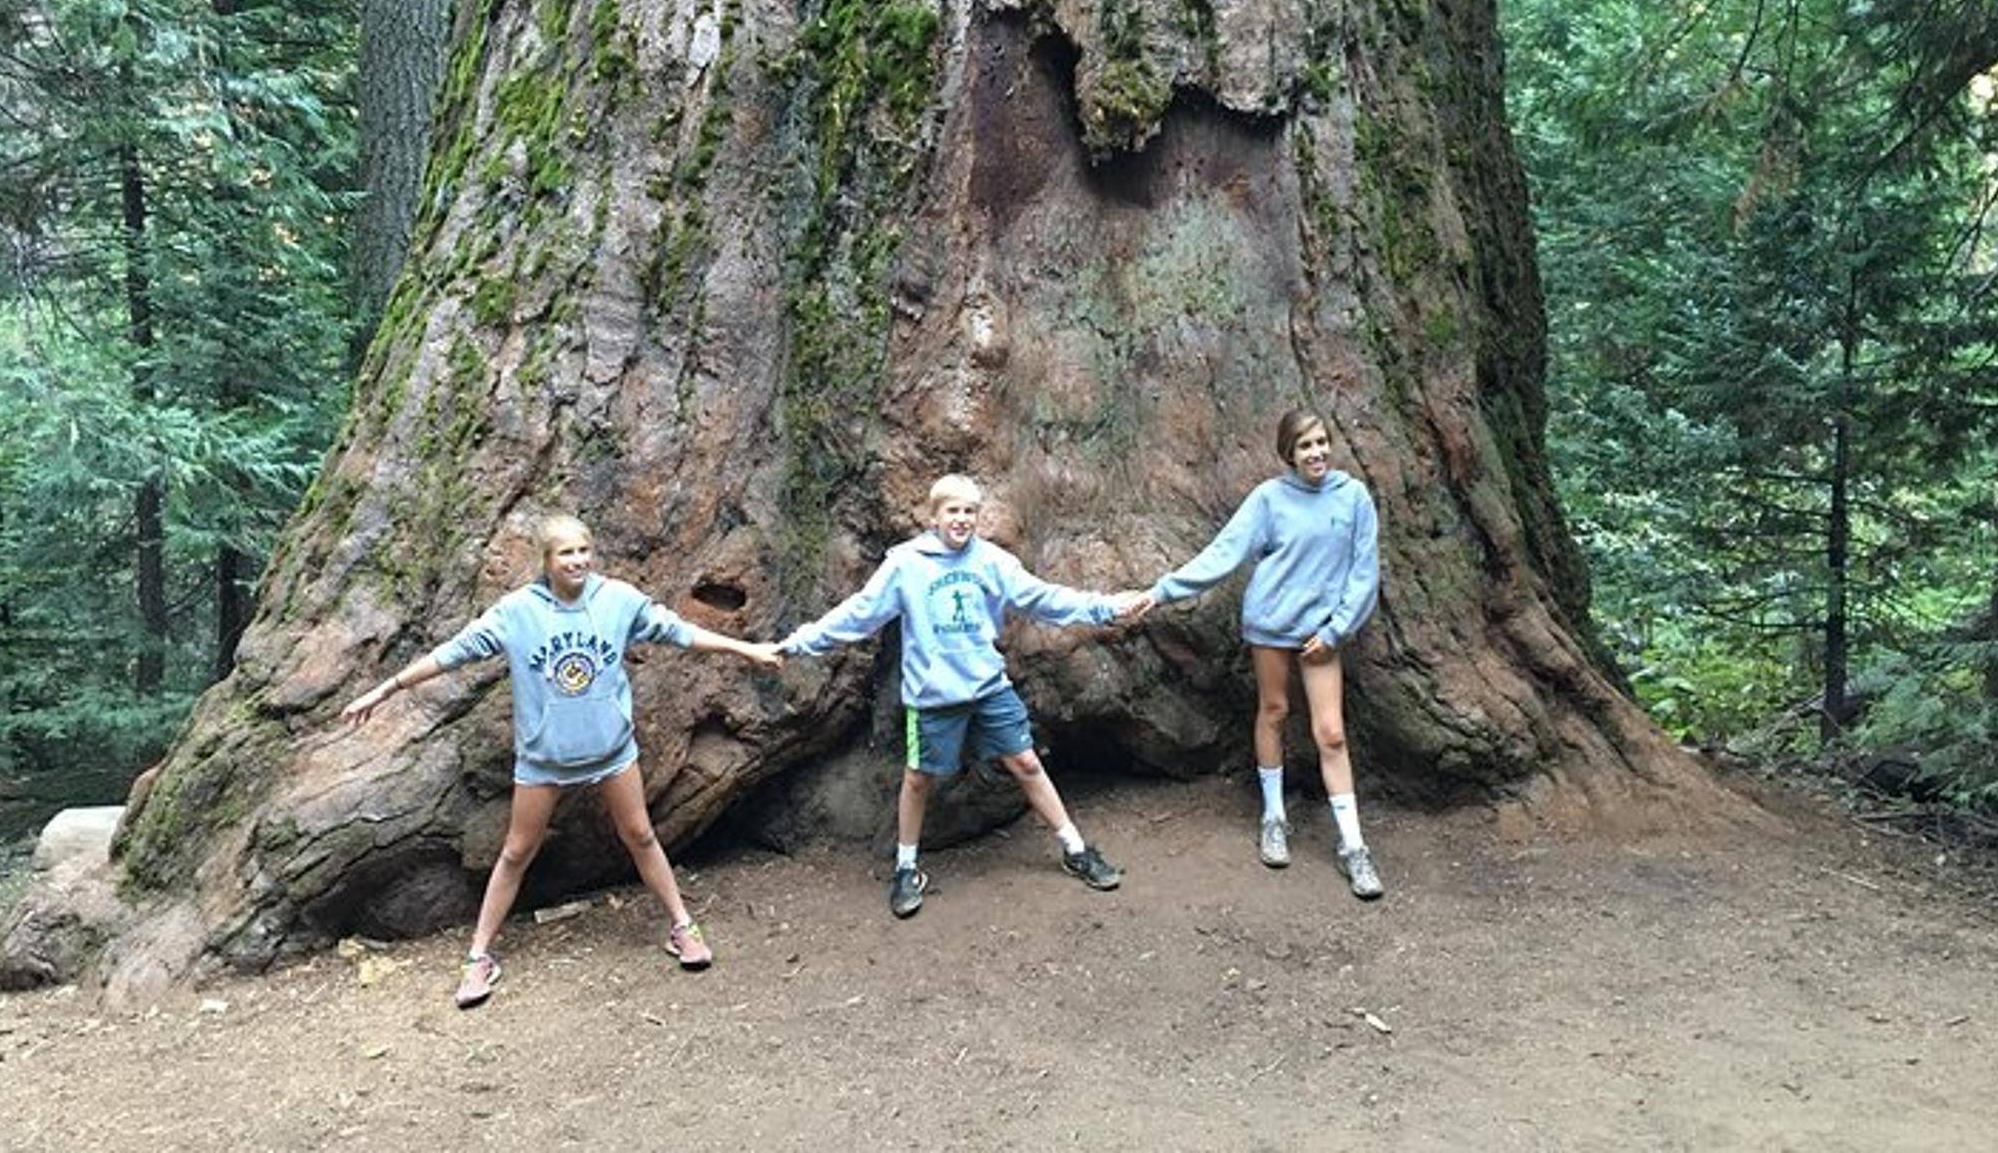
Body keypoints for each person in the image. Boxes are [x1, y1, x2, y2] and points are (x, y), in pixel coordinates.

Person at [341, 513, 782, 1007]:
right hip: (545, 760)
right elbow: (453, 653)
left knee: (640, 835)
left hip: (612, 752)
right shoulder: (517, 613)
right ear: (547, 561)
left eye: (582, 551)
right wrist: (385, 689)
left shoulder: (617, 600)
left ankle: (682, 926)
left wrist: (746, 650)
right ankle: (479, 958)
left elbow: (678, 632)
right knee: (515, 852)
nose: (577, 561)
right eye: (565, 553)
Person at [774, 474, 1145, 918]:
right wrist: (799, 643)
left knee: (1026, 762)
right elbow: (859, 614)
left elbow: (1044, 599)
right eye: (953, 510)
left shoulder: (992, 562)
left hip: (987, 687)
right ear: (934, 517)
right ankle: (906, 867)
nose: (962, 519)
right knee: (918, 778)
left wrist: (1106, 607)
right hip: (934, 696)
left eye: (970, 511)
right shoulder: (906, 565)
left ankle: (1075, 847)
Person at [1137, 409, 1384, 898]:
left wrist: (1337, 630)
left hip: (1321, 634)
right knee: (1273, 711)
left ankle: (1353, 847)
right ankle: (1274, 817)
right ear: (1288, 454)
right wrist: (1162, 592)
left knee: (1330, 733)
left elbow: (1364, 571)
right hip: (1271, 624)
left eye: (1320, 443)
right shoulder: (1270, 499)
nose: (1314, 453)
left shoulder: (1353, 497)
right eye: (1303, 446)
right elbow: (1224, 553)